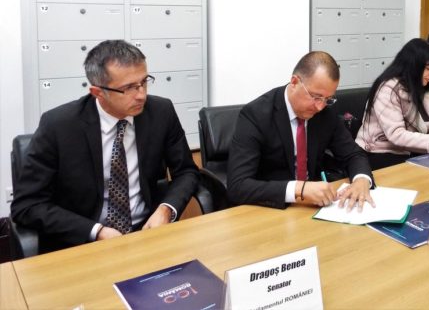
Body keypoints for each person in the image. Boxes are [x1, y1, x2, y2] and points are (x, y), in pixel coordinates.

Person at [11, 40, 199, 253]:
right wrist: (96, 231)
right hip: (83, 242)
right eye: (128, 88)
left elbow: (186, 172)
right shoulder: (58, 126)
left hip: (146, 233)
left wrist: (166, 209)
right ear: (98, 92)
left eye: (144, 82)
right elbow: (27, 205)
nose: (141, 95)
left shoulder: (161, 112)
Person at [227, 51, 375, 211]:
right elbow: (238, 186)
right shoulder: (255, 115)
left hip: (316, 207)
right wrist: (298, 189)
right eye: (316, 97)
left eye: (328, 99)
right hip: (272, 208)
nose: (320, 107)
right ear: (294, 82)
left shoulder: (324, 113)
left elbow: (353, 154)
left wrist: (361, 180)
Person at [356, 39, 429, 170]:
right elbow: (397, 135)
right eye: (428, 69)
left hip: (410, 149)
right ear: (413, 67)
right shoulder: (388, 89)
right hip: (380, 152)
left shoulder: (422, 86)